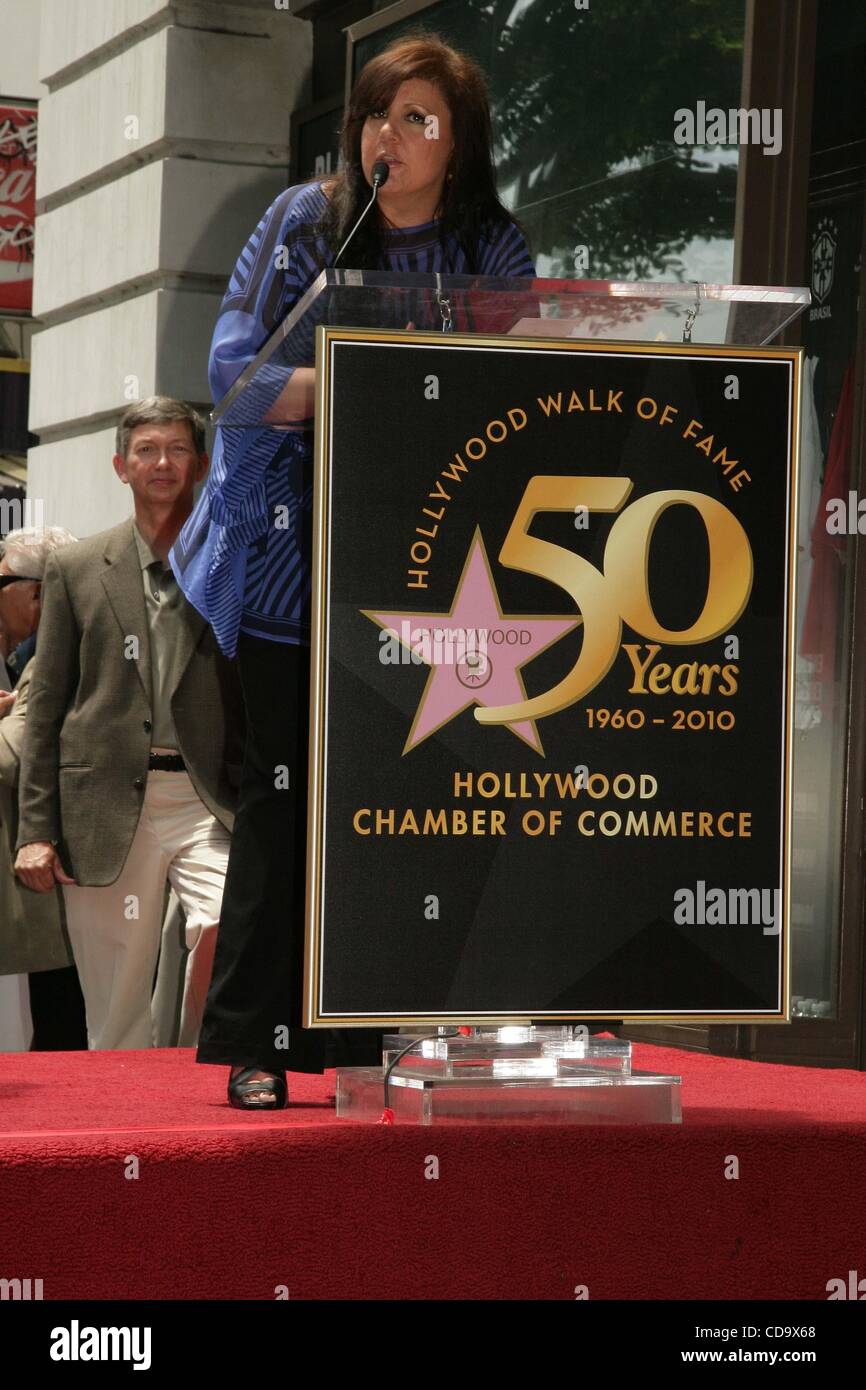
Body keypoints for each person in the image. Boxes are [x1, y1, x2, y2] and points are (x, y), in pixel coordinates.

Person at [170, 33, 536, 1108]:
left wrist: (351, 386)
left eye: (419, 117)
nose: (392, 134)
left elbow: (507, 398)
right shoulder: (302, 222)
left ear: (458, 144)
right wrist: (364, 385)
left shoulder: (491, 247)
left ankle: (379, 1038)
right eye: (379, 114)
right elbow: (233, 372)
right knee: (280, 810)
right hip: (289, 571)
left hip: (427, 578)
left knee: (396, 810)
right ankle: (257, 1045)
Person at [14, 399, 245, 1050]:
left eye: (177, 449)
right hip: (103, 803)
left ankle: (193, 1064)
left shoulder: (228, 563)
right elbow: (47, 706)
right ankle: (130, 1130)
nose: (162, 462)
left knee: (223, 923)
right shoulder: (78, 568)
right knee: (115, 1011)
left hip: (205, 798)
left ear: (200, 466)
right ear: (121, 466)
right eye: (146, 450)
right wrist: (37, 831)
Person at [0, 525, 88, 1050]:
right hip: (52, 885)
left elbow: (11, 757)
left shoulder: (51, 662)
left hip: (58, 879)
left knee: (62, 1029)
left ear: (38, 591)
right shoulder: (27, 659)